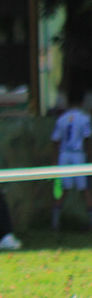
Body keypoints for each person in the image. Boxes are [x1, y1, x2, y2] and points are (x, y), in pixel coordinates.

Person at [50, 91, 92, 231]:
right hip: (78, 155)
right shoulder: (84, 118)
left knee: (62, 189)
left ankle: (55, 224)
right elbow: (87, 139)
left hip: (64, 155)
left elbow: (55, 141)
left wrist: (55, 161)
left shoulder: (61, 119)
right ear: (82, 103)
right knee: (85, 189)